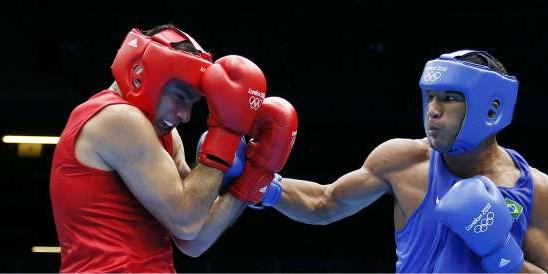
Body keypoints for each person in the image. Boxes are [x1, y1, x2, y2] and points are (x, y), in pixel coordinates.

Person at [257, 50, 548, 272]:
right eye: (431, 96)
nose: (433, 110)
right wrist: (261, 184)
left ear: (492, 107)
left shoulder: (534, 189)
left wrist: (501, 254)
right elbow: (324, 202)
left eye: (449, 98)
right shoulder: (405, 162)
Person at [49, 24, 297, 272]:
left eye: (192, 104)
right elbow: (186, 222)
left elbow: (195, 239)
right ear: (140, 73)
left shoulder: (164, 136)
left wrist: (253, 178)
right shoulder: (117, 118)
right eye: (180, 96)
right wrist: (227, 133)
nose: (186, 115)